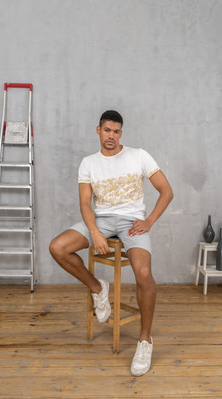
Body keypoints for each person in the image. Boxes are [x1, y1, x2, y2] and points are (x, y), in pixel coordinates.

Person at [49, 110, 173, 376]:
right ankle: (98, 287)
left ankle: (145, 340)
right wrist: (94, 230)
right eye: (107, 130)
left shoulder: (139, 155)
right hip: (101, 220)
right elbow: (84, 202)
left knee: (144, 274)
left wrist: (148, 221)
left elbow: (167, 191)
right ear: (98, 130)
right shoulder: (88, 163)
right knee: (58, 247)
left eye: (116, 131)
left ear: (121, 133)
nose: (111, 136)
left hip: (132, 222)